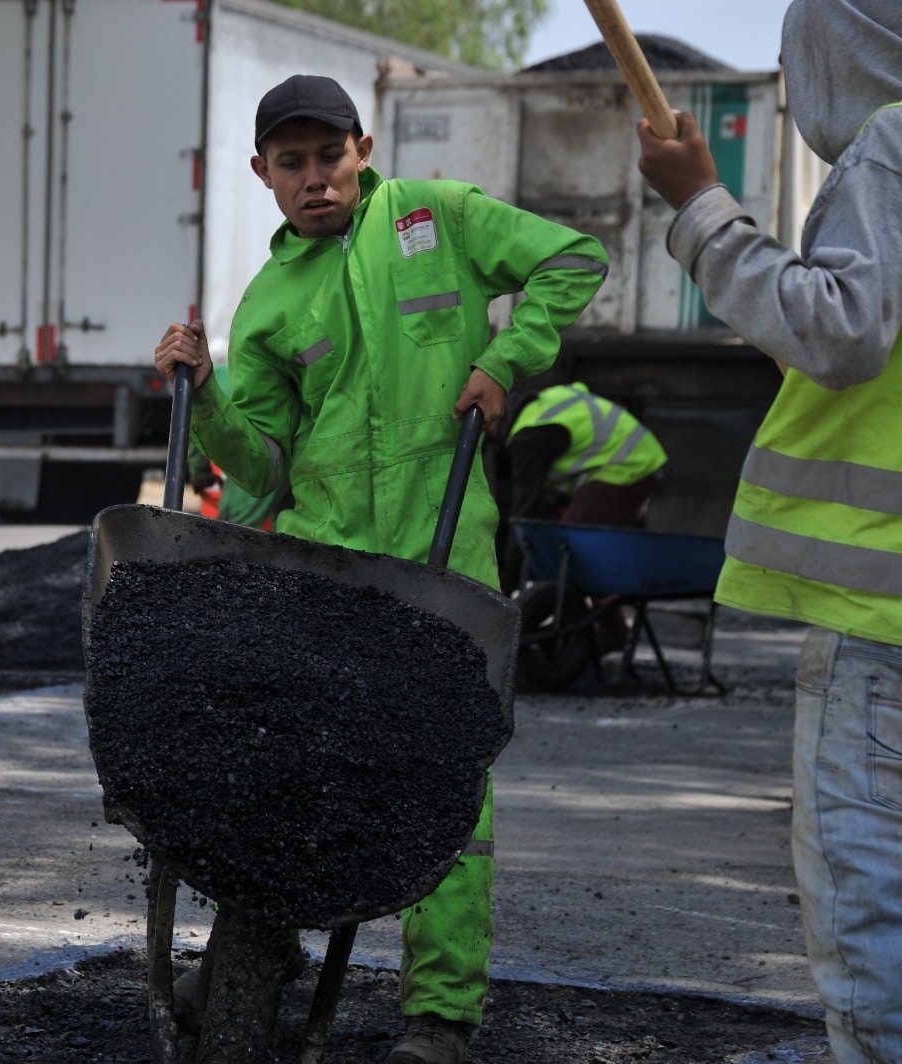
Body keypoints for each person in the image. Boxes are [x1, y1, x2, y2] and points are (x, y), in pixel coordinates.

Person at [154, 74, 607, 1063]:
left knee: (443, 786)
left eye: (329, 156)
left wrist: (508, 358)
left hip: (442, 557)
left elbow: (575, 256)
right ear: (261, 175)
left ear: (361, 148)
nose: (315, 179)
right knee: (290, 765)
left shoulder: (433, 217)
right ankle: (260, 944)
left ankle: (437, 1015)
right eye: (292, 163)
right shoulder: (271, 299)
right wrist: (210, 395)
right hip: (324, 566)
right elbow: (263, 468)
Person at [636, 1, 902, 1058]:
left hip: (878, 621)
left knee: (871, 928)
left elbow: (837, 329)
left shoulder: (894, 143)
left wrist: (699, 208)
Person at [500, 382, 667, 598]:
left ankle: (584, 616)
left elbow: (523, 514)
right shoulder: (545, 401)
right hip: (636, 454)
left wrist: (507, 584)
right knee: (579, 550)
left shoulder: (528, 437)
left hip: (628, 464)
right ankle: (602, 621)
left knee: (571, 548)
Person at [186, 364, 291, 530]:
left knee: (233, 529)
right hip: (298, 441)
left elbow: (195, 431)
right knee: (291, 524)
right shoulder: (248, 368)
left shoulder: (207, 383)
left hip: (265, 450)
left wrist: (200, 474)